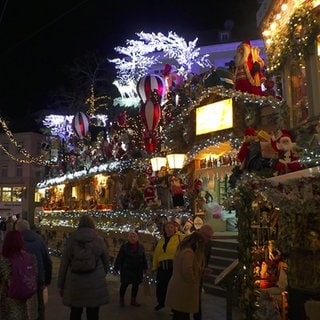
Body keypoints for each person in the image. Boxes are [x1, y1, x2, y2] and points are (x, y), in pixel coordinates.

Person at [57, 214, 110, 320]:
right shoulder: (98, 239)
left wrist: (61, 284)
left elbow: (64, 263)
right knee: (93, 313)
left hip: (75, 281)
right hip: (94, 282)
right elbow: (106, 260)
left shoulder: (71, 239)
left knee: (75, 312)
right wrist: (103, 273)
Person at [165, 224, 214, 320]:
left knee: (180, 315)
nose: (209, 240)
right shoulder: (189, 252)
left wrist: (201, 270)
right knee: (181, 316)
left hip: (180, 290)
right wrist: (195, 281)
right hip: (183, 290)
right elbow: (187, 272)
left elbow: (191, 267)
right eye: (209, 238)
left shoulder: (187, 248)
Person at [15, 219, 53, 320]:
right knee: (40, 303)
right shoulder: (39, 239)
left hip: (22, 278)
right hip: (38, 276)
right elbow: (47, 261)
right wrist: (47, 279)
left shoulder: (16, 241)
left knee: (22, 304)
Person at [0, 230, 38, 320]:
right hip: (28, 299)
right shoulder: (30, 258)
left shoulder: (4, 261)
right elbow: (35, 275)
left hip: (9, 302)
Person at [152, 220, 184, 311]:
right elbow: (156, 254)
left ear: (174, 228)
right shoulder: (161, 240)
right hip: (162, 267)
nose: (169, 229)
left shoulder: (180, 237)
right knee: (160, 287)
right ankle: (161, 303)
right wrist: (154, 266)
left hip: (173, 267)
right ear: (164, 229)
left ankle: (174, 308)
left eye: (171, 227)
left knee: (173, 289)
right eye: (167, 227)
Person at [114, 230, 148, 307]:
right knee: (124, 285)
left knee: (135, 286)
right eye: (131, 236)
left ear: (137, 238)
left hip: (137, 270)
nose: (133, 238)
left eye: (134, 236)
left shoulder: (141, 247)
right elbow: (120, 258)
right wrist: (116, 267)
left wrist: (145, 267)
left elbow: (143, 258)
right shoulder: (124, 247)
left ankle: (133, 300)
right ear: (128, 238)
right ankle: (121, 299)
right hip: (127, 269)